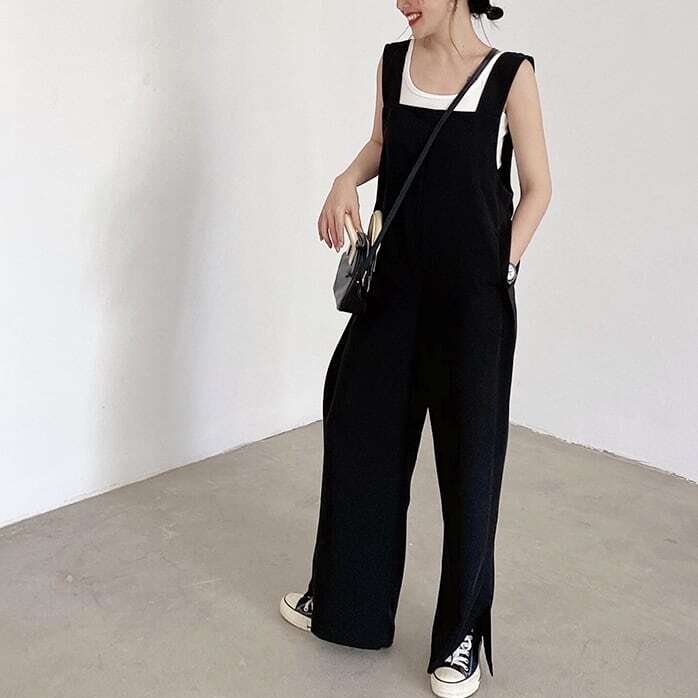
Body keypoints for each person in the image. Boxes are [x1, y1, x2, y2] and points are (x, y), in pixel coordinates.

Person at [280, 1, 552, 696]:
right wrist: (346, 178)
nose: (402, 2)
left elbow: (538, 188)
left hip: (471, 306)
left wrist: (501, 269)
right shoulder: (392, 63)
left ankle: (459, 636)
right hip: (392, 295)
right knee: (359, 436)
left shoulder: (508, 75)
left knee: (469, 467)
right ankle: (345, 601)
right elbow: (382, 143)